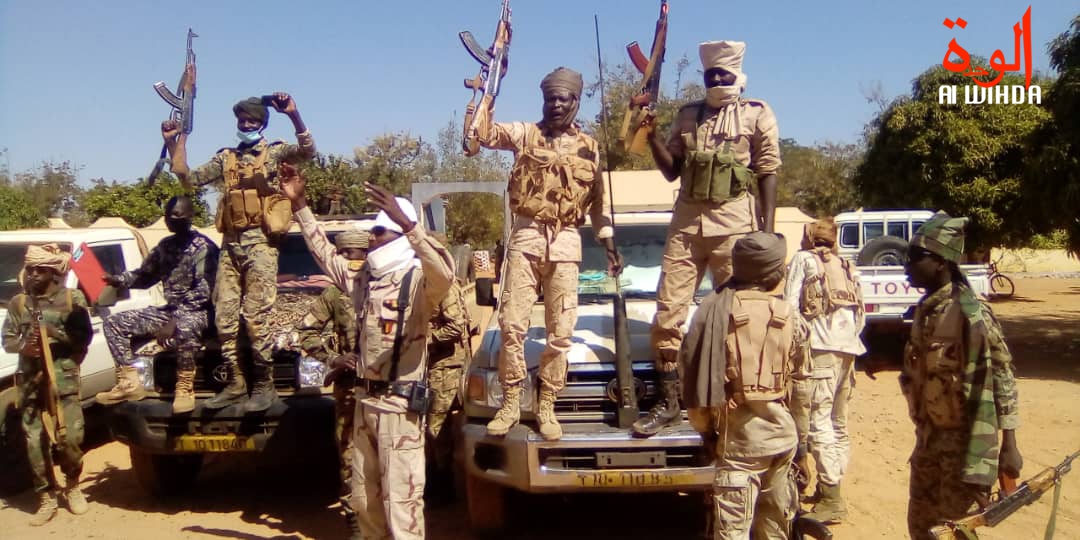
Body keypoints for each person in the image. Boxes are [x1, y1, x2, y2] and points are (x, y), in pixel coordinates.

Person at [280, 164, 455, 540]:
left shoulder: (417, 282)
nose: (372, 238)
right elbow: (326, 255)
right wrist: (300, 205)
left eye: (380, 231)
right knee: (364, 501)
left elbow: (444, 272)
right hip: (364, 403)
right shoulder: (365, 281)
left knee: (402, 504)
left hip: (399, 409)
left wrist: (409, 226)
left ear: (398, 237)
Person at [635, 40, 782, 437]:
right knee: (668, 313)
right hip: (686, 225)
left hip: (735, 224)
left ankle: (739, 403)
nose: (717, 80)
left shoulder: (757, 113)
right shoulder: (688, 115)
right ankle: (669, 400)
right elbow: (672, 170)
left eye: (723, 74)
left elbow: (768, 171)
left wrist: (767, 231)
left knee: (739, 317)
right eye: (710, 74)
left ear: (737, 75)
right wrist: (652, 136)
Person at [471, 66, 622, 441]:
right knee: (511, 325)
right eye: (550, 98)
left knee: (562, 331)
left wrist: (608, 243)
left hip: (567, 240)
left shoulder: (589, 147)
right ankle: (510, 401)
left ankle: (547, 404)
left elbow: (598, 202)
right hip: (527, 236)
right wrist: (485, 94)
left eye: (562, 99)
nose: (555, 104)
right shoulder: (526, 134)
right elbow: (484, 135)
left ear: (575, 102)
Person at [162, 65, 317, 412]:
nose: (245, 125)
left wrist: (294, 115)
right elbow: (189, 179)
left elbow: (308, 151)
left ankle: (264, 385)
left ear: (261, 123)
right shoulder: (226, 157)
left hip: (261, 244)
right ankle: (235, 382)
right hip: (231, 245)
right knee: (225, 318)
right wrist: (175, 142)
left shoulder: (275, 152)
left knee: (256, 316)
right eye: (242, 120)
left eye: (251, 120)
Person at [901, 212, 1022, 540]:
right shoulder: (926, 310)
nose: (907, 265)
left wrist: (1008, 445)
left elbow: (1001, 376)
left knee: (956, 531)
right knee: (921, 527)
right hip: (928, 439)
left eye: (916, 257)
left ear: (941, 262)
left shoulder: (971, 313)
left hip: (963, 447)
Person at [680, 232, 803, 540]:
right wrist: (803, 443)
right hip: (783, 440)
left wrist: (707, 433)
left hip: (738, 446)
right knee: (775, 529)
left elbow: (694, 388)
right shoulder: (791, 316)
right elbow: (803, 389)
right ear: (775, 272)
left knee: (732, 533)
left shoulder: (713, 314)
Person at [96, 195, 218, 414]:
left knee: (185, 326)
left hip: (201, 312)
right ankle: (129, 383)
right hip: (171, 310)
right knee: (114, 323)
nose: (171, 220)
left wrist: (175, 320)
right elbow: (145, 276)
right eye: (168, 216)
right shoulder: (165, 246)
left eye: (177, 215)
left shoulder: (204, 248)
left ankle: (184, 387)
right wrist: (118, 280)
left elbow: (204, 292)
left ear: (190, 216)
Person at [1, 244, 93, 525]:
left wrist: (54, 333)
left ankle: (72, 485)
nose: (32, 275)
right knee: (34, 442)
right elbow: (8, 340)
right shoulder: (19, 303)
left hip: (63, 381)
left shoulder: (72, 298)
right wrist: (24, 347)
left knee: (70, 439)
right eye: (30, 269)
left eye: (39, 270)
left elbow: (84, 338)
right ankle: (46, 496)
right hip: (30, 383)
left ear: (53, 273)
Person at [783, 218, 865, 522]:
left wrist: (794, 346)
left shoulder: (804, 260)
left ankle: (832, 496)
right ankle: (831, 486)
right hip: (849, 349)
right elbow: (861, 313)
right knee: (838, 422)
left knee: (819, 422)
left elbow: (790, 306)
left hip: (820, 351)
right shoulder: (846, 265)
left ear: (808, 237)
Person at [294, 226, 367, 530]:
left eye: (354, 252)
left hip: (385, 390)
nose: (349, 258)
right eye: (343, 253)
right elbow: (306, 331)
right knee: (349, 451)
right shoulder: (334, 294)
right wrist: (333, 359)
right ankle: (354, 519)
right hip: (349, 388)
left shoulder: (385, 286)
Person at [425, 233, 471, 501]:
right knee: (428, 424)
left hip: (445, 366)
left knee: (437, 426)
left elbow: (455, 326)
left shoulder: (445, 286)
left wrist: (424, 341)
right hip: (431, 366)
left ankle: (443, 487)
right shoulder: (428, 282)